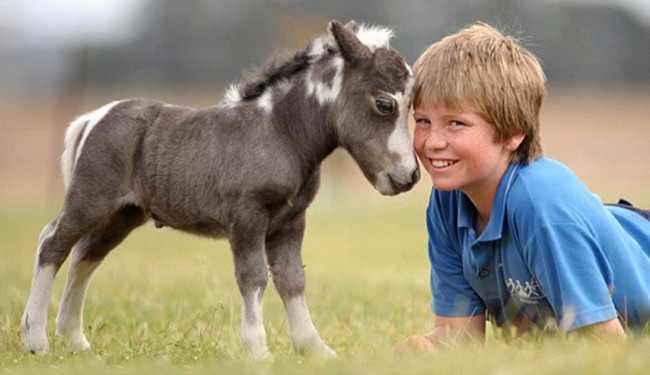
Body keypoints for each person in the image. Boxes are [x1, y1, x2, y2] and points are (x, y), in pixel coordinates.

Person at [397, 22, 650, 352]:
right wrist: (417, 352)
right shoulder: (448, 201)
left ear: (512, 131)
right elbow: (459, 340)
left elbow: (607, 349)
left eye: (456, 123)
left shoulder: (540, 204)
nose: (432, 141)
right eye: (422, 121)